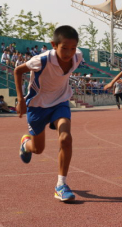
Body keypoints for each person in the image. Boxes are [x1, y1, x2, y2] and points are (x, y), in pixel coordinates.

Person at [14, 25, 82, 202]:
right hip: (37, 106)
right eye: (64, 48)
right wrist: (21, 100)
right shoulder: (42, 60)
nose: (69, 53)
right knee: (38, 149)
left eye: (73, 48)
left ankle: (61, 185)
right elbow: (18, 71)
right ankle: (25, 144)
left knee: (66, 138)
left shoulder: (77, 56)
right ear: (54, 45)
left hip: (60, 102)